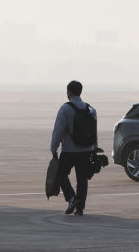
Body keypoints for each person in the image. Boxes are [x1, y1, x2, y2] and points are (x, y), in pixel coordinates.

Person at [51, 80, 97, 216]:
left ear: (68, 92)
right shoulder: (91, 109)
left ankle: (72, 198)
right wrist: (94, 148)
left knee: (60, 174)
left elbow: (58, 130)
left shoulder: (65, 109)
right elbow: (94, 132)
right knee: (82, 180)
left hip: (69, 150)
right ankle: (80, 208)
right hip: (86, 150)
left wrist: (54, 148)